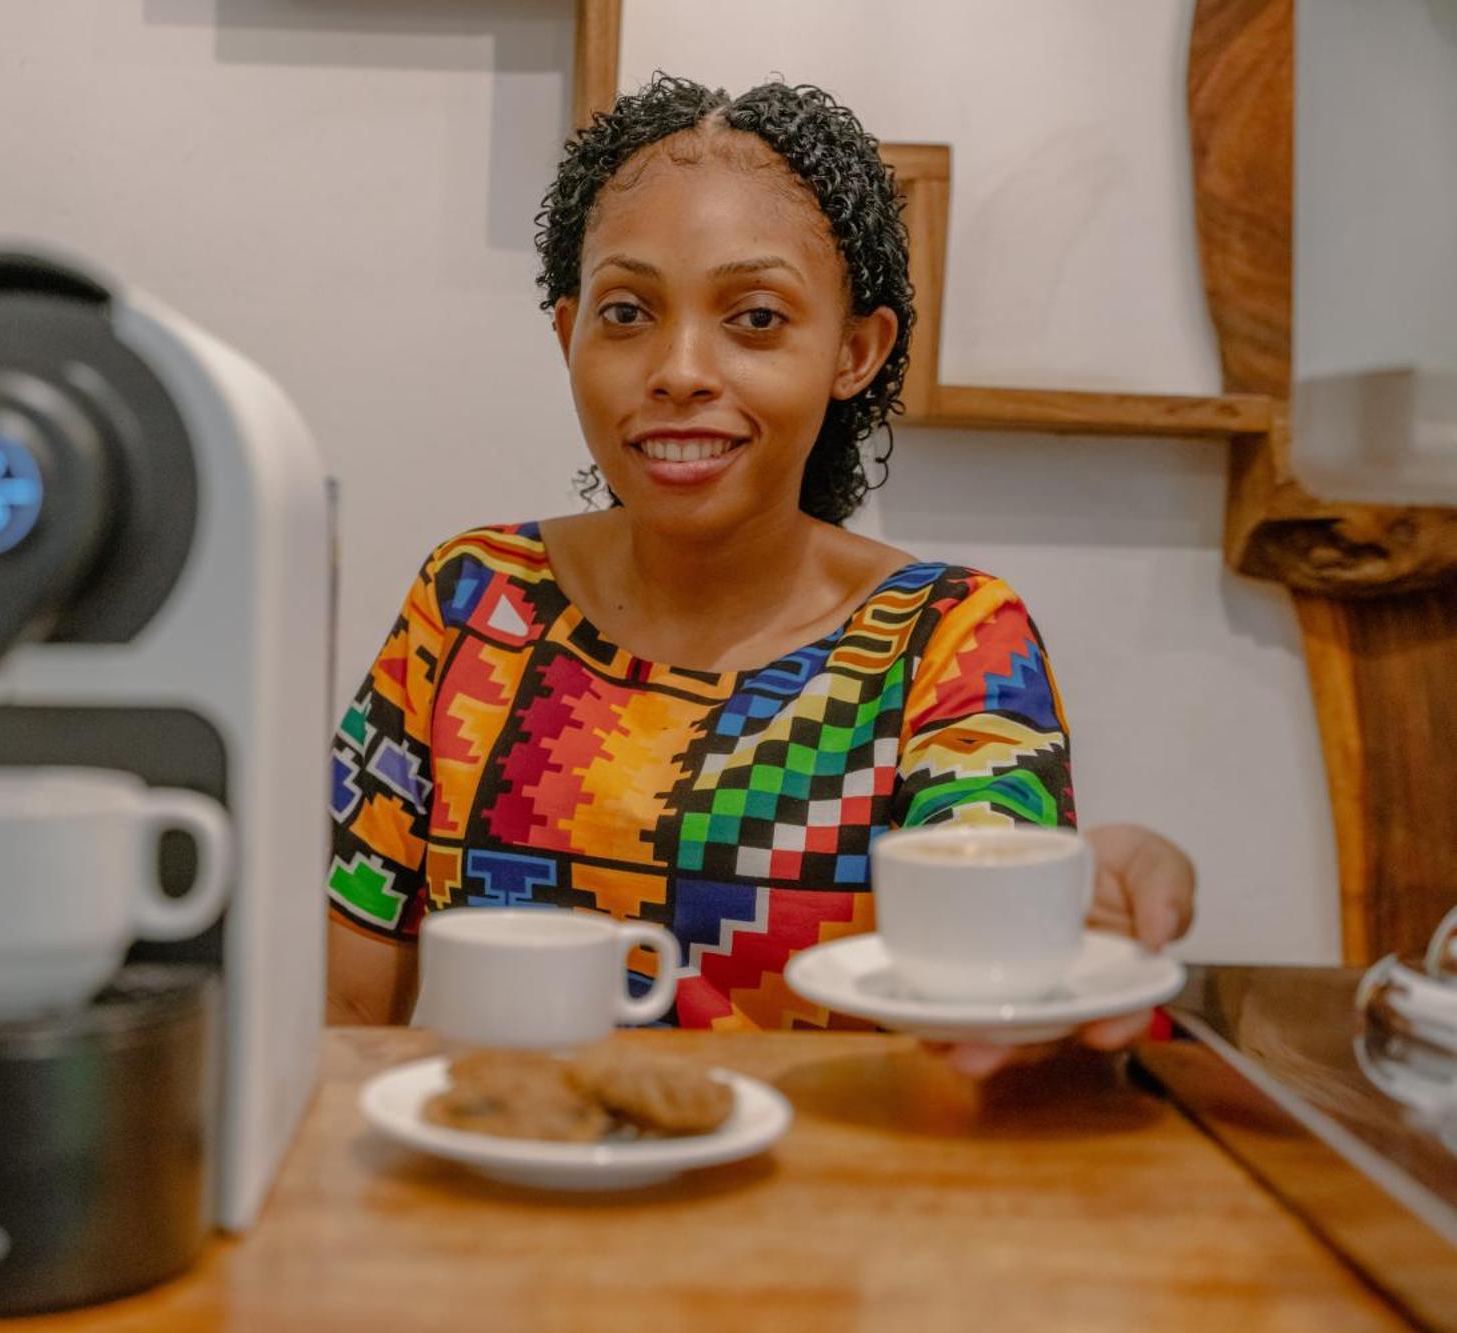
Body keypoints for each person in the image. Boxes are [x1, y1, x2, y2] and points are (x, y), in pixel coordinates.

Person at [325, 75, 1194, 1078]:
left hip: (825, 1211)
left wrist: (1082, 907)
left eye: (754, 318)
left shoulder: (946, 640)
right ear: (566, 333)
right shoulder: (472, 602)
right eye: (624, 310)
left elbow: (990, 949)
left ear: (854, 351)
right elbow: (345, 1011)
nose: (680, 367)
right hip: (509, 1195)